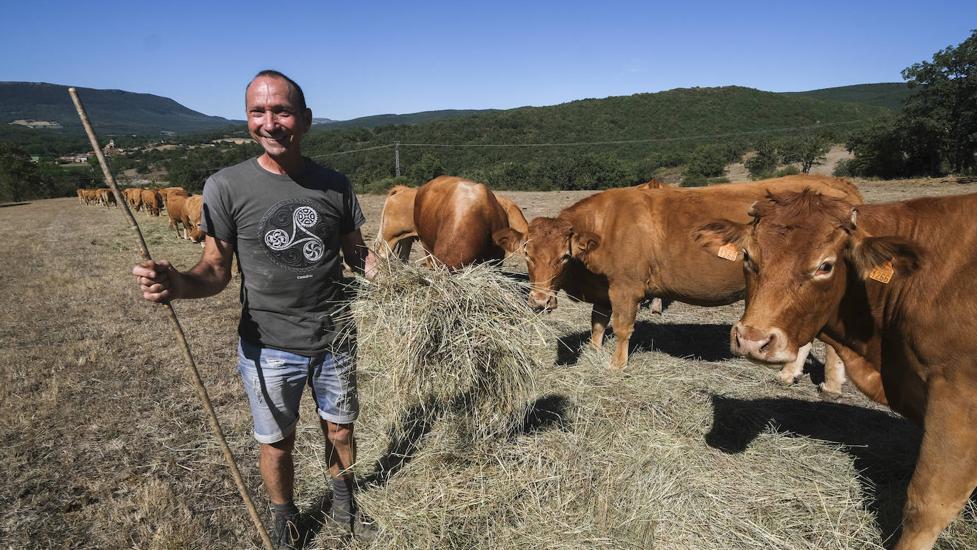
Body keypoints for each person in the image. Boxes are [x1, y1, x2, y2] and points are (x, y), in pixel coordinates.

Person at [132, 69, 377, 548]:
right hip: (269, 346)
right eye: (258, 112)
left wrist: (409, 283)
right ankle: (285, 519)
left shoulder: (334, 184)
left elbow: (357, 254)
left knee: (342, 431)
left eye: (281, 111)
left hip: (335, 337)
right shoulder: (226, 186)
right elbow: (215, 270)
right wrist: (176, 283)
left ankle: (347, 503)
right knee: (277, 444)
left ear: (304, 119)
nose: (270, 123)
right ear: (248, 119)